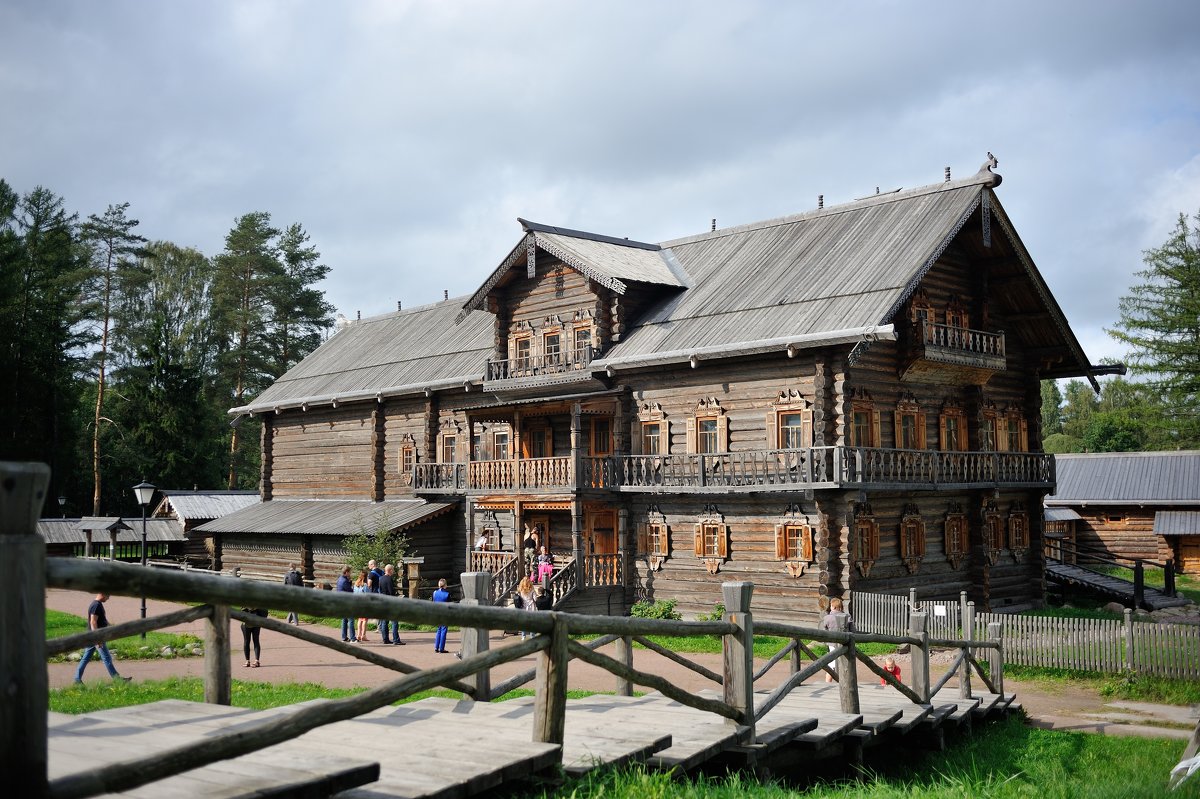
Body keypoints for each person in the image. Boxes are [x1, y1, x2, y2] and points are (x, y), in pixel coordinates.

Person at [74, 592, 130, 683]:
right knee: (107, 658)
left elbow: (101, 619)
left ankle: (77, 679)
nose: (108, 598)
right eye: (108, 596)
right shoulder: (96, 605)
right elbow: (93, 622)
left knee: (85, 658)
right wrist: (97, 638)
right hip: (96, 637)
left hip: (92, 637)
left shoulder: (97, 604)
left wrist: (109, 625)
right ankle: (118, 680)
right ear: (103, 594)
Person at [821, 597, 852, 683]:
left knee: (832, 665)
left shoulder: (827, 618)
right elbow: (853, 630)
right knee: (845, 664)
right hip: (846, 644)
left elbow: (824, 630)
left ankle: (828, 684)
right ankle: (845, 683)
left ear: (833, 607)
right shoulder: (848, 617)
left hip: (832, 644)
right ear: (841, 607)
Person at [379, 563, 404, 645]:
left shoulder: (381, 578)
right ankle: (396, 639)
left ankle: (385, 639)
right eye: (392, 570)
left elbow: (380, 590)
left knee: (384, 622)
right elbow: (391, 592)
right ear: (389, 570)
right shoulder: (389, 579)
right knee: (394, 621)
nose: (393, 572)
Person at [336, 566, 357, 642]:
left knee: (344, 620)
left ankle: (344, 637)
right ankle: (353, 638)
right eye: (350, 572)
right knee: (351, 620)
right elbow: (350, 592)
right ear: (346, 572)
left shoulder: (339, 579)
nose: (350, 573)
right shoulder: (345, 581)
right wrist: (350, 584)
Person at [432, 578, 451, 653]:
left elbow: (433, 602)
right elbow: (450, 605)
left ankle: (436, 647)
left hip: (437, 613)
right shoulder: (447, 594)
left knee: (438, 630)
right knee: (443, 630)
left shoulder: (434, 593)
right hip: (445, 614)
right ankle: (441, 648)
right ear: (445, 585)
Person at [354, 570, 371, 642]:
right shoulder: (365, 585)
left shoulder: (355, 584)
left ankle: (358, 635)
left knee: (359, 620)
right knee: (365, 620)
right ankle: (363, 635)